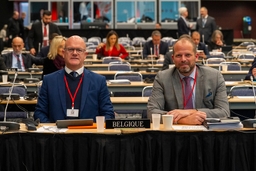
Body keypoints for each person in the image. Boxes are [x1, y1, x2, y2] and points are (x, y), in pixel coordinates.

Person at [147, 36, 229, 125]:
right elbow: (152, 112)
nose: (183, 59)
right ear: (173, 58)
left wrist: (190, 112)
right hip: (174, 135)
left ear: (196, 56)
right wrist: (182, 120)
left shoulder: (215, 77)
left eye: (188, 55)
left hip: (206, 134)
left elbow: (224, 112)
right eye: (178, 55)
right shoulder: (162, 78)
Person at [34, 35, 114, 123]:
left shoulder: (99, 81)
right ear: (63, 53)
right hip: (57, 135)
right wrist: (52, 130)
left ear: (85, 55)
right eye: (70, 49)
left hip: (89, 135)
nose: (75, 53)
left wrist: (95, 130)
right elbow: (39, 113)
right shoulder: (49, 81)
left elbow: (108, 113)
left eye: (79, 50)